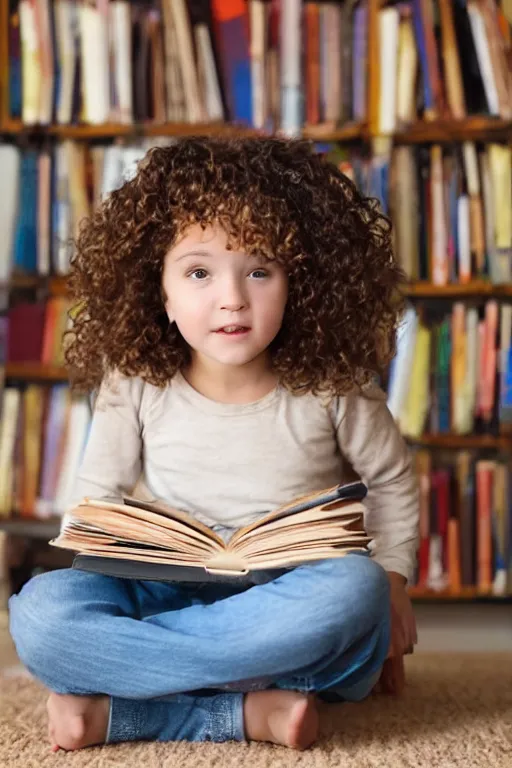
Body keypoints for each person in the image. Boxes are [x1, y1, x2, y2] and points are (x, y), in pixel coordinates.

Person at [9, 136, 419, 753]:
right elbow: (99, 501)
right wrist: (98, 582)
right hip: (160, 589)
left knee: (353, 593)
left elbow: (389, 479)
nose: (232, 297)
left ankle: (134, 703)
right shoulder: (137, 381)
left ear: (301, 284)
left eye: (260, 270)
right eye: (199, 272)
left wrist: (392, 580)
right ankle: (249, 708)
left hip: (284, 596)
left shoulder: (333, 384)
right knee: (40, 612)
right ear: (161, 292)